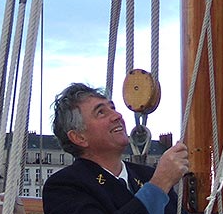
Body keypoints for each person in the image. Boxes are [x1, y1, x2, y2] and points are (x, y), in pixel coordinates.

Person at [43, 83, 189, 214]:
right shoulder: (63, 187)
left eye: (113, 108)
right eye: (101, 112)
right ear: (79, 137)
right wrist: (160, 183)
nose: (117, 115)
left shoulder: (147, 175)